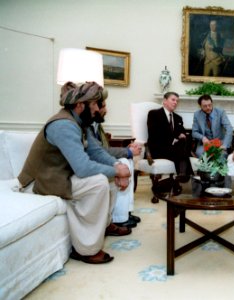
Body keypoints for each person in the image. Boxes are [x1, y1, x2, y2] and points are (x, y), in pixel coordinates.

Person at [17, 81, 132, 264]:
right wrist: (117, 172)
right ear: (80, 105)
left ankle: (104, 224)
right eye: (94, 104)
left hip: (59, 175)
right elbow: (83, 168)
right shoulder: (63, 125)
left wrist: (118, 167)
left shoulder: (79, 122)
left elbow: (96, 152)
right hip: (40, 182)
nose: (97, 108)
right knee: (100, 182)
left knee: (109, 179)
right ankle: (86, 250)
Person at [91, 94, 142, 228]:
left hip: (99, 158)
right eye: (104, 106)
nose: (106, 110)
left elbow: (104, 149)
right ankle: (119, 218)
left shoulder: (97, 124)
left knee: (128, 161)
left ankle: (126, 211)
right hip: (94, 161)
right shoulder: (88, 126)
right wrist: (128, 151)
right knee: (125, 162)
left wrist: (127, 150)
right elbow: (100, 151)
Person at [147, 91, 192, 176]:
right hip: (158, 148)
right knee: (183, 149)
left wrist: (183, 135)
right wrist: (175, 138)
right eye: (173, 100)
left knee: (186, 139)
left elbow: (182, 132)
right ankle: (185, 174)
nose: (175, 102)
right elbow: (154, 133)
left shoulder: (178, 118)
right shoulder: (154, 114)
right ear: (164, 101)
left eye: (177, 101)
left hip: (175, 148)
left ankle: (182, 174)